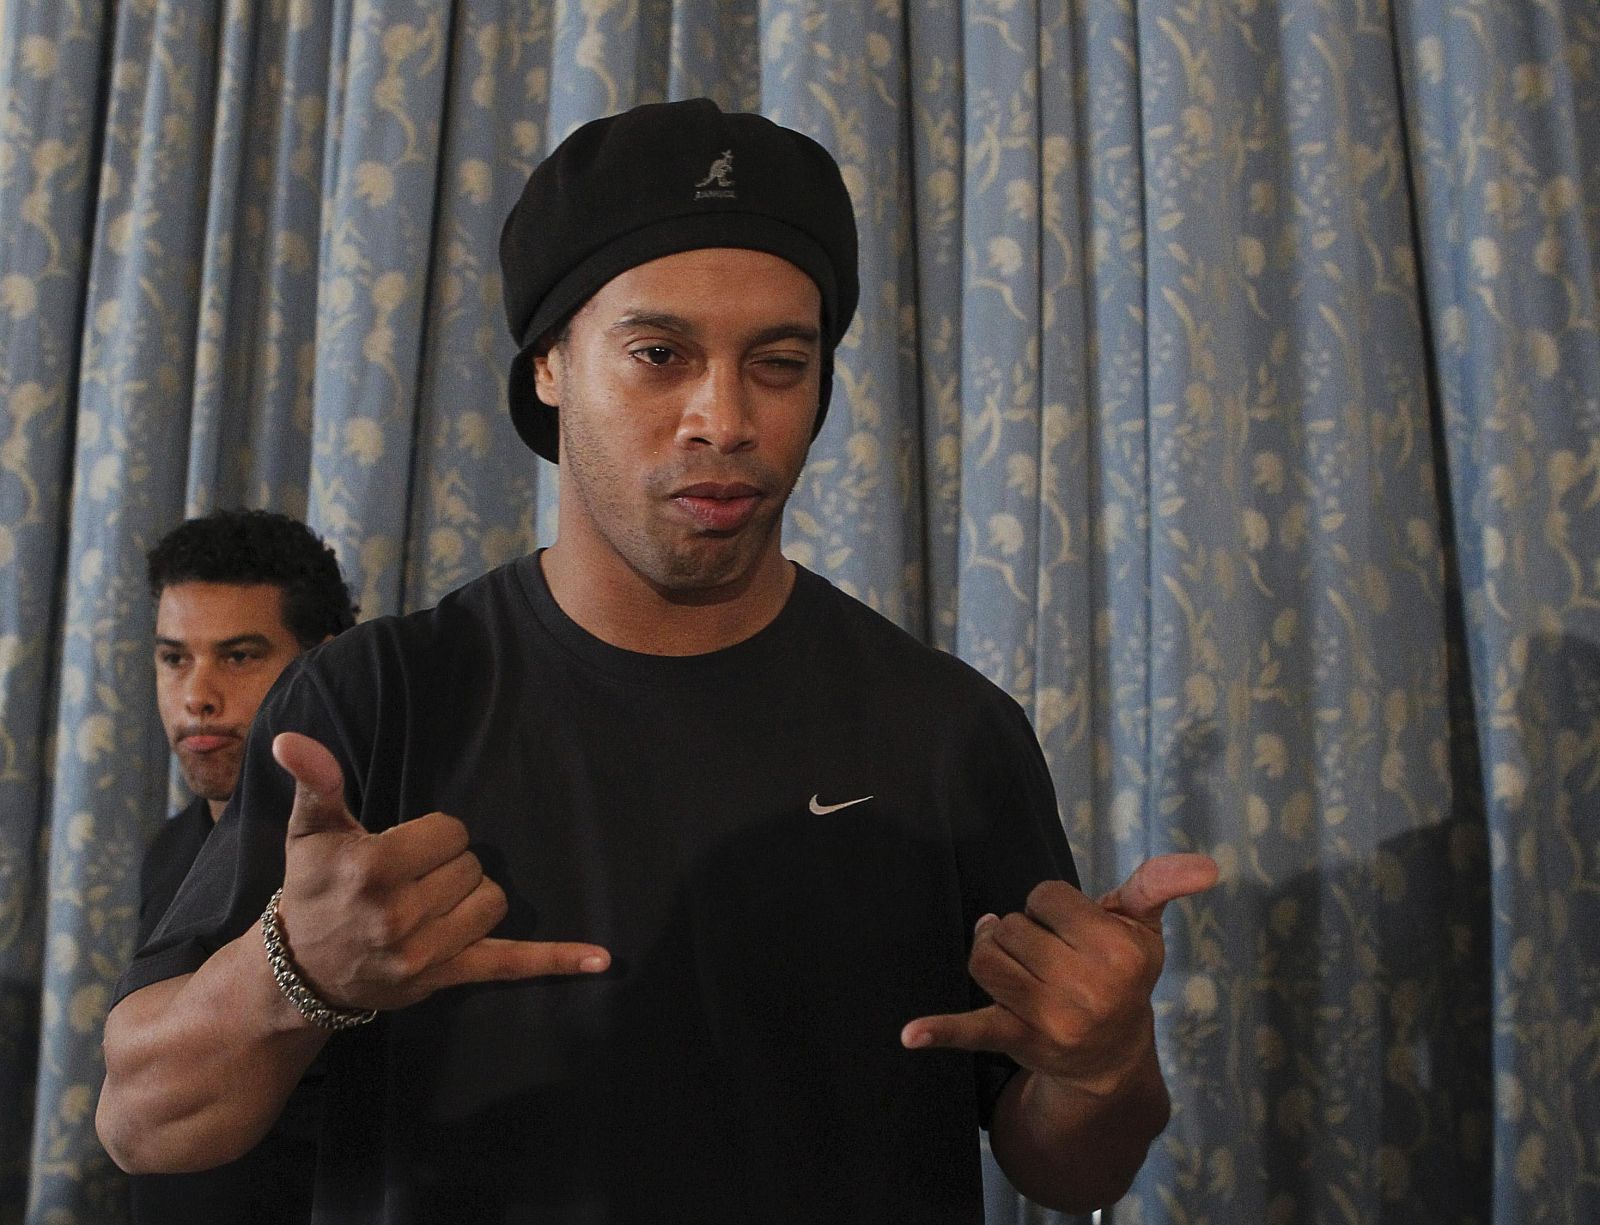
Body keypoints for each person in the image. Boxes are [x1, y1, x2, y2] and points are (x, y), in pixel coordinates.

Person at [98, 99, 1218, 1223]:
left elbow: (1072, 1167)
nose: (721, 418)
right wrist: (298, 972)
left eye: (777, 362)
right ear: (548, 364)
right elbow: (145, 1124)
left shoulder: (947, 730)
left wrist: (1105, 1064)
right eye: (658, 354)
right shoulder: (379, 698)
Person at [130, 508, 357, 1223]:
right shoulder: (170, 848)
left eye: (238, 655)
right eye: (174, 657)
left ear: (323, 661)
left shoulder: (364, 860)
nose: (197, 694)